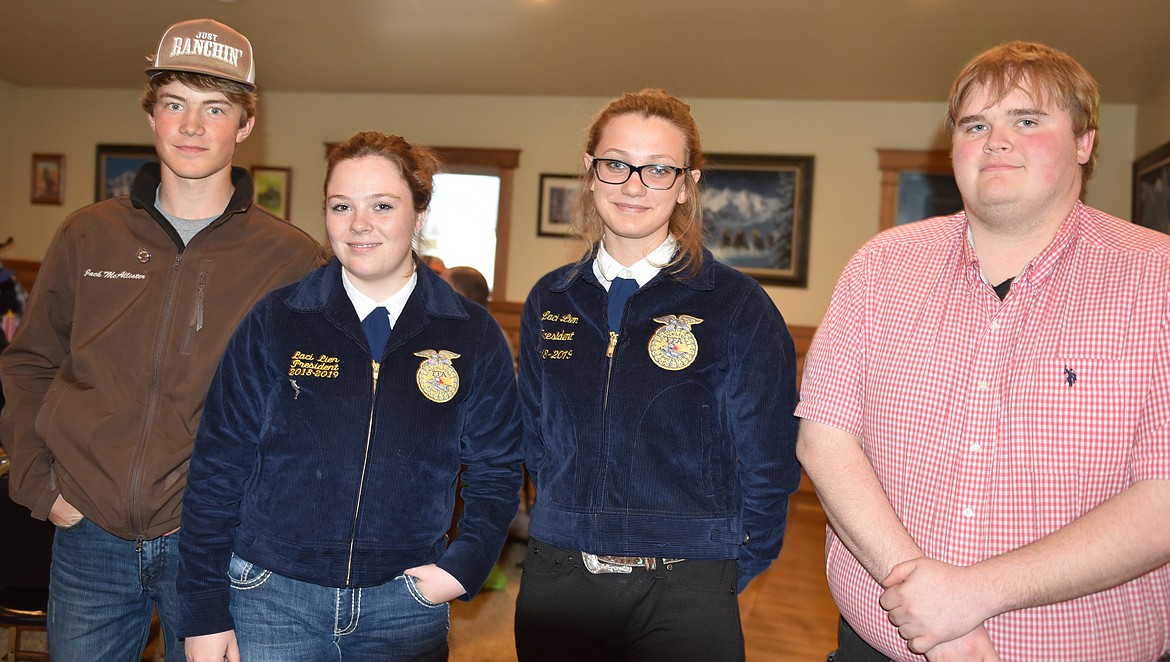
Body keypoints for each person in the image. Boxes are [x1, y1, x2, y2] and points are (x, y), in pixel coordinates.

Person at [796, 41, 1170, 662]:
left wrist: (972, 594)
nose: (996, 140)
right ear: (953, 151)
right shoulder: (880, 267)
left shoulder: (1158, 279)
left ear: (1084, 142)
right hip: (879, 645)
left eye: (1027, 120)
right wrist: (928, 604)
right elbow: (825, 439)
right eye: (976, 124)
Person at [0, 18, 322, 662]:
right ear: (152, 116)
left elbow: (310, 409)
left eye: (216, 108)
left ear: (246, 125)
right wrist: (41, 485)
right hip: (86, 531)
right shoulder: (86, 235)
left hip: (214, 542)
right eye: (175, 103)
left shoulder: (293, 259)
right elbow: (32, 361)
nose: (193, 126)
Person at [176, 130, 522, 662]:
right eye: (342, 206)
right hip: (271, 599)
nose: (359, 224)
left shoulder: (472, 334)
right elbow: (217, 466)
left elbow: (496, 469)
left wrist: (465, 565)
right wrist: (202, 609)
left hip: (403, 605)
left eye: (382, 205)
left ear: (420, 214)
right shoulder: (278, 319)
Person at [514, 88, 800, 662]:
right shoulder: (551, 298)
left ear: (687, 184)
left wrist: (718, 571)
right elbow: (535, 437)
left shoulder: (736, 305)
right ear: (592, 173)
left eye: (659, 169)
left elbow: (770, 458)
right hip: (559, 580)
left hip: (686, 585)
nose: (635, 185)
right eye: (617, 164)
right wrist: (564, 527)